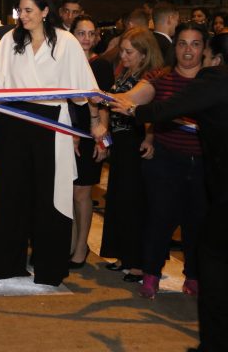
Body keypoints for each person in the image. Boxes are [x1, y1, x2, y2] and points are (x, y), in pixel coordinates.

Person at [0, 0, 104, 287]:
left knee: (50, 194)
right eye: (20, 10)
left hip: (51, 122)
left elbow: (85, 88)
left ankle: (48, 266)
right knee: (10, 192)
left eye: (29, 10)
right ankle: (4, 263)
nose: (23, 16)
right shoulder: (10, 39)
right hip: (15, 120)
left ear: (45, 11)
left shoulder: (66, 42)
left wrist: (96, 120)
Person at [110, 45, 228, 352]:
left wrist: (134, 111)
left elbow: (171, 107)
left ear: (215, 59)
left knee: (214, 263)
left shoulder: (216, 79)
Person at [109, 22, 208, 299]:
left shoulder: (211, 81)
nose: (188, 50)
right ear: (175, 47)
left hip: (203, 164)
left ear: (204, 48)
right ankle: (151, 275)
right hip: (166, 160)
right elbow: (134, 97)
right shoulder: (160, 77)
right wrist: (113, 99)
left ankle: (194, 276)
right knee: (159, 219)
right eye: (182, 43)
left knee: (197, 223)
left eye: (195, 44)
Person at [100, 27, 163, 283]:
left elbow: (124, 101)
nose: (124, 56)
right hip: (121, 143)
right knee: (119, 200)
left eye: (129, 52)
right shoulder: (127, 72)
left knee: (134, 202)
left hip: (135, 144)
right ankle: (124, 255)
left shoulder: (148, 79)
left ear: (144, 54)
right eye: (123, 51)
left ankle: (137, 262)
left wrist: (97, 95)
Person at [68, 15, 113, 269]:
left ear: (96, 37)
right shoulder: (64, 62)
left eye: (90, 33)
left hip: (91, 135)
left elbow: (104, 107)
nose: (86, 38)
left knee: (82, 193)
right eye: (81, 33)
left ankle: (81, 246)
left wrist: (103, 142)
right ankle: (71, 242)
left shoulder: (101, 66)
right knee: (68, 192)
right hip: (66, 132)